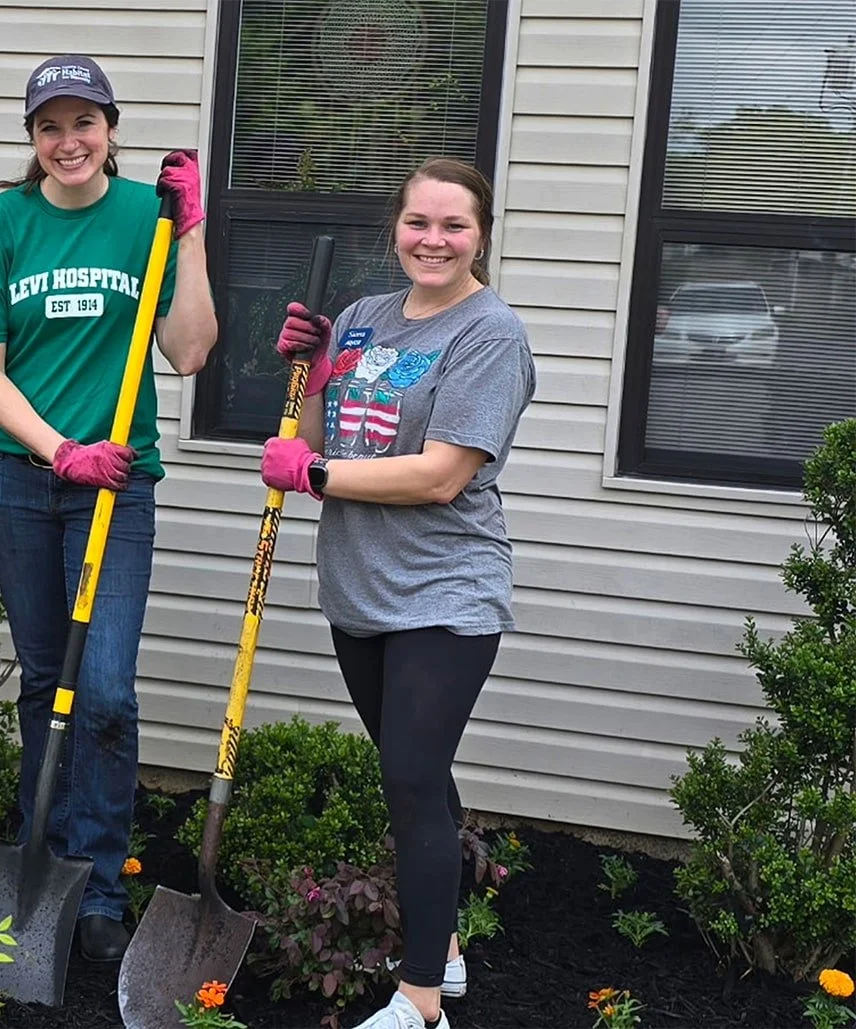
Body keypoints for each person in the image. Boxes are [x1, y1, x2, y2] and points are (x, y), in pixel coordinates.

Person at [0, 54, 218, 962]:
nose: (69, 141)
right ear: (33, 138)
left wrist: (187, 236)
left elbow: (188, 353)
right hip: (22, 479)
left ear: (110, 129)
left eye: (84, 123)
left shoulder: (147, 216)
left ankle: (101, 880)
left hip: (120, 484)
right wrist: (59, 448)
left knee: (102, 686)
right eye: (50, 126)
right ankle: (40, 852)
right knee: (41, 676)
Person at [259, 157, 536, 1029]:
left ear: (481, 233)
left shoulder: (490, 334)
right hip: (360, 587)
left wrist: (315, 474)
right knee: (417, 779)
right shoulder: (365, 319)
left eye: (454, 225)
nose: (435, 240)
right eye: (419, 223)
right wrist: (307, 367)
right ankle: (443, 949)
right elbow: (314, 432)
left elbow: (442, 476)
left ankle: (420, 1002)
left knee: (412, 778)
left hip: (446, 590)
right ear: (397, 228)